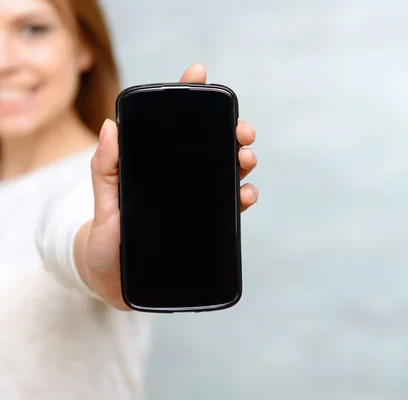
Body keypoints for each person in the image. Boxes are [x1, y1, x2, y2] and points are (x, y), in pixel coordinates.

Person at [0, 0, 259, 398]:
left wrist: (97, 259)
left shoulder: (95, 188)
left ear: (84, 46)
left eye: (33, 29)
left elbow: (66, 228)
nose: (4, 61)